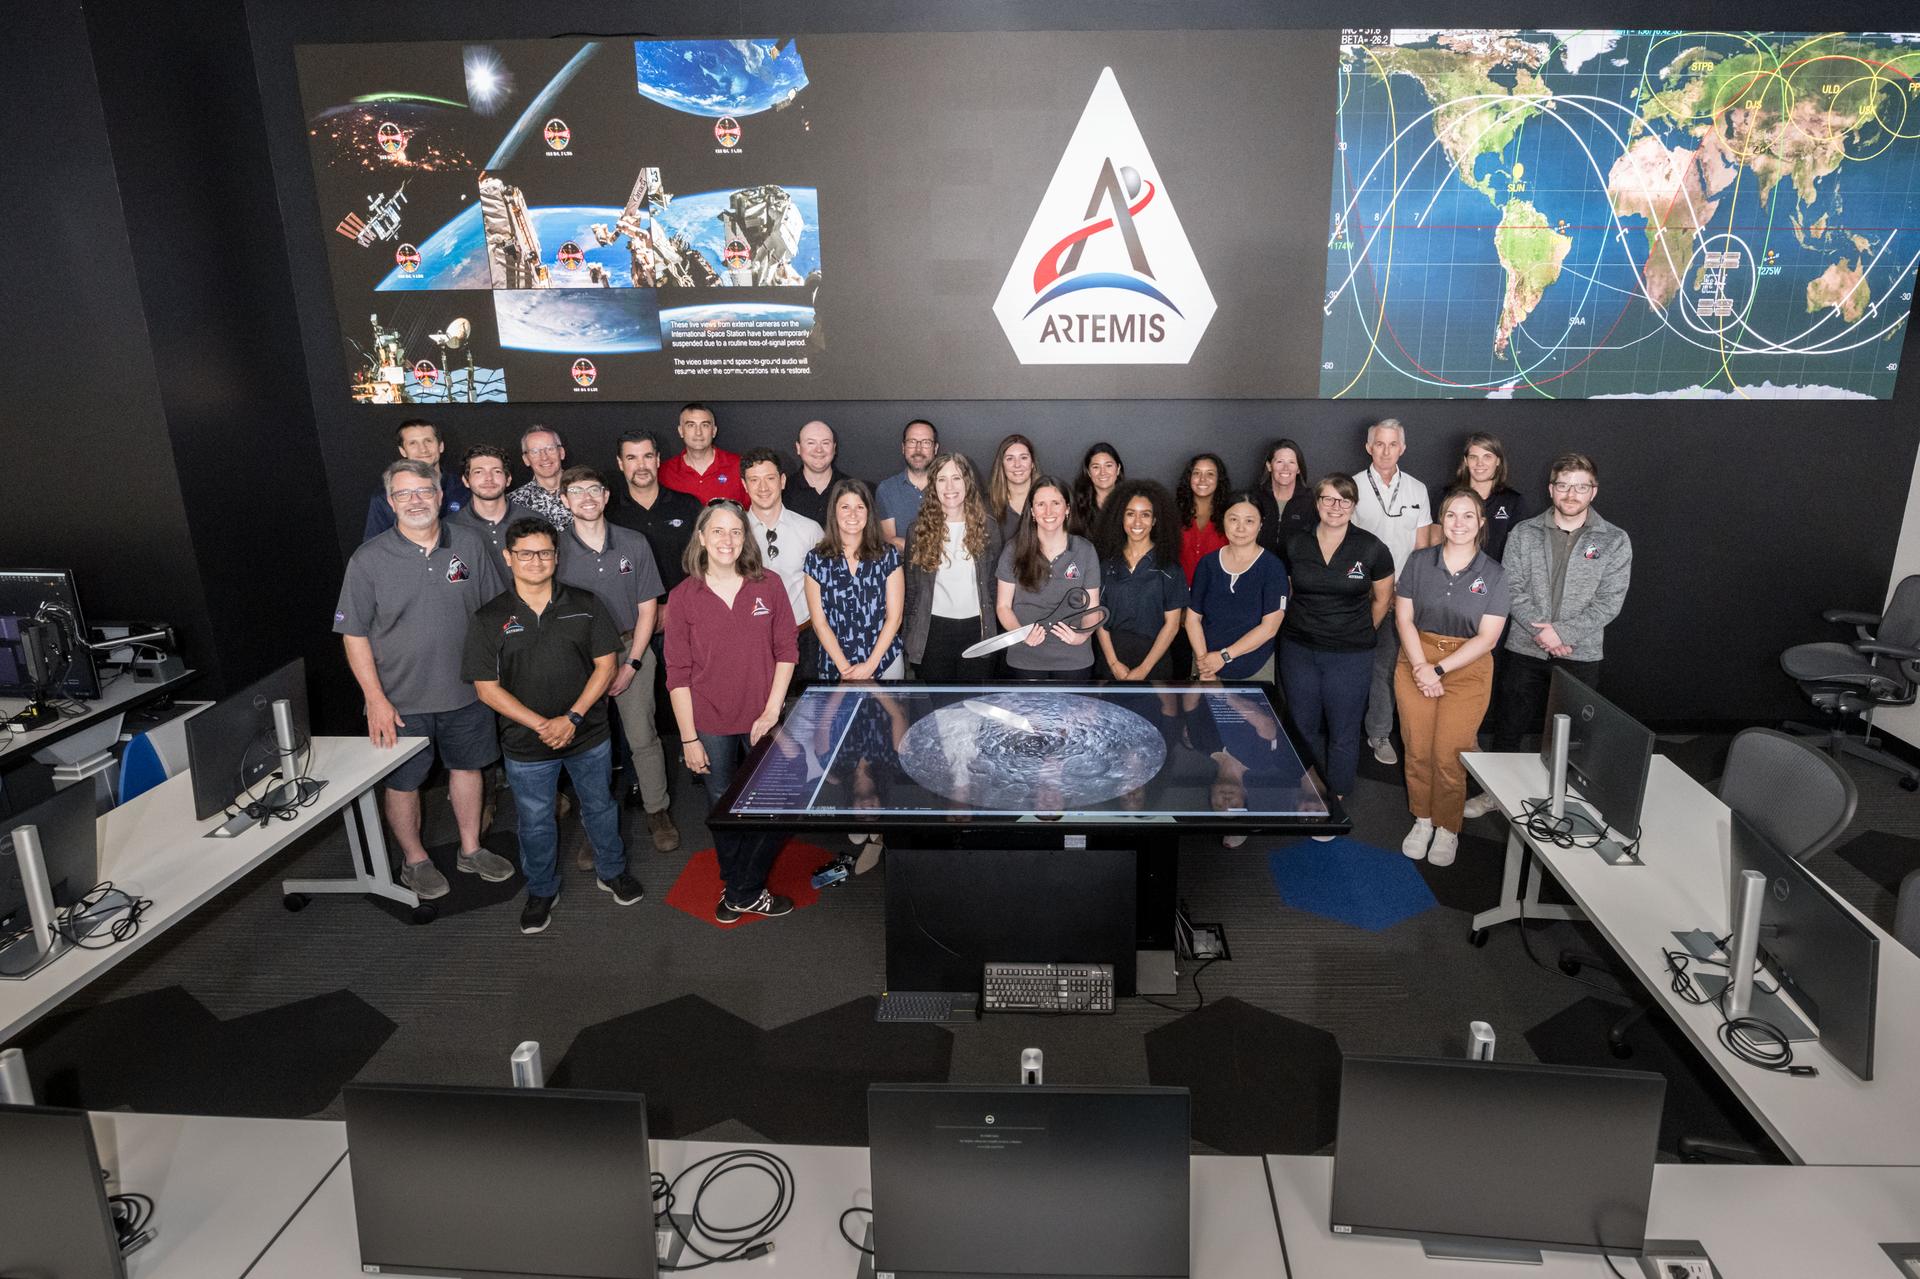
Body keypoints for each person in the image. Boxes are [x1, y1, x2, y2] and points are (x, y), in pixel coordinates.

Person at [334, 459, 515, 900]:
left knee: (469, 769)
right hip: (399, 701)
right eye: (403, 494)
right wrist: (375, 699)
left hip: (468, 691)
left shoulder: (469, 545)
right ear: (391, 502)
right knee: (404, 782)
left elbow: (495, 612)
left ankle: (470, 849)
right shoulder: (369, 559)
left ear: (439, 495)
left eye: (423, 491)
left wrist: (498, 673)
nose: (414, 501)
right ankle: (415, 860)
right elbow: (353, 634)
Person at [464, 518, 641, 934]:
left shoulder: (586, 602)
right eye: (525, 553)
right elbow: (486, 689)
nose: (535, 561)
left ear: (556, 557)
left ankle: (611, 870)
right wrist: (543, 724)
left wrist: (573, 717)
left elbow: (606, 666)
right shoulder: (489, 617)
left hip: (589, 734)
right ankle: (542, 889)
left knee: (599, 806)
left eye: (544, 552)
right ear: (508, 558)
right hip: (526, 744)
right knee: (536, 820)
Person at [1471, 455, 1632, 818]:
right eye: (1563, 485)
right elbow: (1511, 587)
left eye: (1580, 486)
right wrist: (1543, 634)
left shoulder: (1615, 541)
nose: (1571, 493)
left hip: (1581, 653)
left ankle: (1561, 801)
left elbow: (1610, 602)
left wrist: (1563, 633)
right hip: (1524, 649)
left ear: (1593, 491)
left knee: (1574, 737)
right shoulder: (1524, 532)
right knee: (1509, 726)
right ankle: (1494, 794)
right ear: (1551, 489)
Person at [665, 501, 798, 925]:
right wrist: (688, 737)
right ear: (701, 538)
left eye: (736, 532)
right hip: (710, 724)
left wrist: (772, 709)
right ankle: (741, 885)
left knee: (774, 806)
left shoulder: (769, 585)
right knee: (724, 808)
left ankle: (739, 890)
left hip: (763, 717)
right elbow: (678, 674)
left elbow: (787, 651)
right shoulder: (683, 597)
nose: (727, 540)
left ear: (746, 538)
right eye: (717, 531)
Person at [557, 466, 678, 851]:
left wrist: (633, 664)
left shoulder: (633, 542)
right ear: (564, 501)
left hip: (630, 648)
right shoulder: (554, 550)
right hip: (578, 659)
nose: (587, 498)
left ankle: (657, 810)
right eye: (577, 492)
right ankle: (596, 827)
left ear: (607, 496)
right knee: (590, 744)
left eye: (594, 489)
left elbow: (649, 610)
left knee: (642, 736)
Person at [1392, 489, 1510, 866]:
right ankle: (1423, 820)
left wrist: (1438, 670)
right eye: (1452, 515)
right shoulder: (1419, 561)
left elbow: (1488, 638)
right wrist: (1421, 667)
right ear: (1442, 520)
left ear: (1481, 524)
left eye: (1468, 516)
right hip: (1415, 659)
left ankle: (1447, 827)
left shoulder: (1494, 573)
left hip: (1467, 670)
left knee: (1449, 754)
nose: (1459, 523)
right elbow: (1404, 619)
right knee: (1418, 748)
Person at [1279, 474, 1395, 808]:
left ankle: (1337, 793)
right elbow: (1288, 591)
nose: (1336, 507)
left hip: (1350, 655)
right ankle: (1306, 786)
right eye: (1328, 499)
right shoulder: (1296, 543)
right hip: (1299, 649)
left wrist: (1356, 633)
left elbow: (1382, 600)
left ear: (1354, 506)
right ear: (1317, 503)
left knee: (1343, 730)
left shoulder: (1372, 548)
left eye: (1344, 500)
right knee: (1302, 725)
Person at [1350, 418, 1436, 766]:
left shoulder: (1417, 489)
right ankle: (1374, 732)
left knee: (1395, 666)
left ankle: (1384, 732)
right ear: (1369, 447)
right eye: (1379, 444)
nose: (1386, 451)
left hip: (1404, 597)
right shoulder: (1352, 487)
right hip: (1362, 595)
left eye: (1393, 444)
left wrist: (1410, 590)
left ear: (1402, 448)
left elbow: (1424, 545)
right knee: (1365, 667)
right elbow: (1345, 543)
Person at [902, 451, 1002, 681]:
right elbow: (912, 590)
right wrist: (909, 638)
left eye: (956, 477)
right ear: (933, 485)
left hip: (977, 631)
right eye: (941, 479)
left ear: (967, 481)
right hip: (932, 632)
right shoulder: (917, 531)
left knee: (973, 708)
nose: (949, 486)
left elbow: (993, 586)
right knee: (939, 712)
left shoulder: (989, 528)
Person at [995, 476, 1102, 680]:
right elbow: (1003, 607)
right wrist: (1021, 634)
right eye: (1041, 504)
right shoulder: (1013, 549)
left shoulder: (1085, 550)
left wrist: (1082, 635)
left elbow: (1093, 607)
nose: (1049, 511)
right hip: (1025, 659)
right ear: (1032, 512)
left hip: (1074, 660)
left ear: (1067, 508)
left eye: (1056, 503)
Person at [804, 478, 905, 680]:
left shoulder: (887, 556)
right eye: (845, 507)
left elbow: (895, 617)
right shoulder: (817, 559)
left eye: (860, 507)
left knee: (893, 713)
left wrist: (870, 666)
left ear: (869, 512)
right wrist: (846, 670)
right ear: (834, 512)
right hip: (836, 666)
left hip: (884, 662)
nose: (853, 514)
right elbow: (819, 623)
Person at [741, 447, 826, 683]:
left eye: (770, 478)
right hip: (751, 641)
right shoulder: (734, 533)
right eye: (754, 480)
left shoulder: (810, 530)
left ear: (782, 481)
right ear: (744, 485)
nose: (763, 487)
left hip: (804, 639)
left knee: (806, 714)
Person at [1185, 492, 1288, 684]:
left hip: (1254, 668)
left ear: (1260, 524)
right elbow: (1192, 618)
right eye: (1233, 519)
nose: (1240, 528)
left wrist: (1223, 657)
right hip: (1205, 667)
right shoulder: (1208, 563)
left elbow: (1270, 628)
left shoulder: (1272, 567)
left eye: (1249, 521)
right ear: (1223, 521)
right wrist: (1204, 662)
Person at [1091, 479, 1187, 680]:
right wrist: (1113, 663)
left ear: (1154, 521)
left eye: (1145, 515)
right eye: (1130, 514)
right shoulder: (1106, 565)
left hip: (1155, 664)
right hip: (1111, 662)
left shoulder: (1170, 568)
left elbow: (1172, 625)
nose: (1137, 522)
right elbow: (1098, 618)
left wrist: (1144, 669)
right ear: (1121, 519)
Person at [606, 428, 701, 606]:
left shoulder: (688, 505)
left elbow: (705, 562)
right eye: (631, 458)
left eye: (647, 456)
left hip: (686, 612)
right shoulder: (609, 513)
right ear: (620, 463)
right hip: (630, 620)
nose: (641, 466)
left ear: (657, 459)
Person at [363, 419, 470, 541]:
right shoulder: (383, 497)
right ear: (402, 451)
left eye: (428, 441)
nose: (423, 449)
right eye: (413, 443)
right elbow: (375, 548)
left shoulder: (465, 488)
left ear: (441, 446)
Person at [1455, 432, 1528, 562]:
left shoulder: (1513, 501)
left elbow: (1519, 550)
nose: (1480, 463)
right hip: (1453, 577)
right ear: (1466, 461)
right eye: (1473, 457)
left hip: (1497, 577)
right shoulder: (1447, 496)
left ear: (1498, 460)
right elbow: (1435, 542)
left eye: (1487, 457)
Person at [657, 402, 743, 506]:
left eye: (705, 425)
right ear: (680, 431)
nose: (698, 432)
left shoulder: (739, 465)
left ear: (714, 431)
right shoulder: (664, 472)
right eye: (691, 425)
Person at [876, 419, 939, 549]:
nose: (918, 449)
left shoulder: (947, 488)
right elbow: (889, 540)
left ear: (935, 448)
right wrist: (928, 552)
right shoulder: (887, 489)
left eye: (926, 443)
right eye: (912, 442)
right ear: (903, 448)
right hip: (902, 567)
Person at [1252, 438, 1315, 557]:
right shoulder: (1253, 499)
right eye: (1280, 462)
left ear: (1298, 468)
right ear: (1269, 466)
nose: (1285, 468)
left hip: (1296, 572)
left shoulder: (1312, 501)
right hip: (1258, 569)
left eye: (1291, 462)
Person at [448, 444, 514, 558]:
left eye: (497, 471)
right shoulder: (448, 528)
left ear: (508, 479)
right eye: (478, 472)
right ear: (465, 481)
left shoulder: (533, 521)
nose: (488, 478)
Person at [1175, 453, 1231, 584]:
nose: (1202, 479)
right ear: (1189, 478)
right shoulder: (1173, 515)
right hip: (1179, 596)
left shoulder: (1230, 516)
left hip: (1218, 595)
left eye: (1210, 474)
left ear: (1219, 479)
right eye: (1197, 473)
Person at [785, 419, 848, 528]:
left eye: (825, 443)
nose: (819, 449)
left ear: (834, 448)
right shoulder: (783, 492)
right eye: (811, 443)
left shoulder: (852, 489)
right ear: (798, 448)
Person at [509, 426, 572, 527]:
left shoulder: (585, 492)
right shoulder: (513, 503)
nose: (544, 457)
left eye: (550, 449)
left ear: (561, 452)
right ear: (526, 459)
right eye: (535, 452)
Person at [987, 433, 1039, 543]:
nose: (1017, 465)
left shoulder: (1049, 501)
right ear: (1002, 464)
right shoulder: (988, 505)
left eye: (1024, 458)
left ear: (1032, 462)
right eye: (1010, 459)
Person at [1070, 442, 1124, 535]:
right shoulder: (1076, 506)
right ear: (1089, 472)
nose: (1103, 472)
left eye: (1108, 466)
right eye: (1096, 467)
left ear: (1118, 468)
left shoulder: (1130, 502)